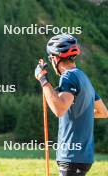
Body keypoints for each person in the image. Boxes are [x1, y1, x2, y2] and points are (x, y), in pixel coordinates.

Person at [35, 33, 108, 176]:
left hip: (70, 157)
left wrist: (43, 79)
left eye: (51, 59)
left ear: (55, 58)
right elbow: (103, 112)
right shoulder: (83, 77)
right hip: (84, 157)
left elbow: (59, 109)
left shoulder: (68, 77)